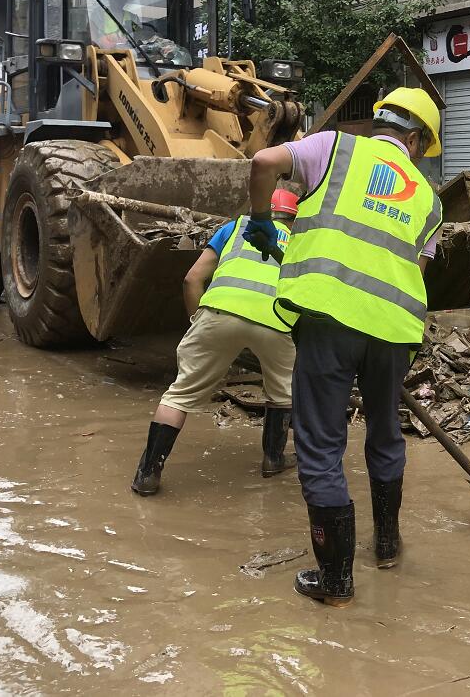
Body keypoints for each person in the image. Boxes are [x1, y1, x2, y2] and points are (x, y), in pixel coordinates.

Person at [245, 87, 443, 608]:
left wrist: (261, 219)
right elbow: (415, 272)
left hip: (330, 321)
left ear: (379, 122)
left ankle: (335, 582)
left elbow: (264, 161)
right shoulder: (428, 198)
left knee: (321, 446)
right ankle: (385, 546)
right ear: (417, 140)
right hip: (395, 332)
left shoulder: (332, 147)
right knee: (385, 436)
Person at [130, 189, 301, 496]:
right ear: (294, 217)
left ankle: (147, 474)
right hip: (276, 322)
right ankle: (273, 459)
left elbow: (191, 279)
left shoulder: (235, 228)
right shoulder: (301, 242)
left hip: (219, 312)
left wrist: (197, 320)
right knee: (282, 392)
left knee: (179, 395)